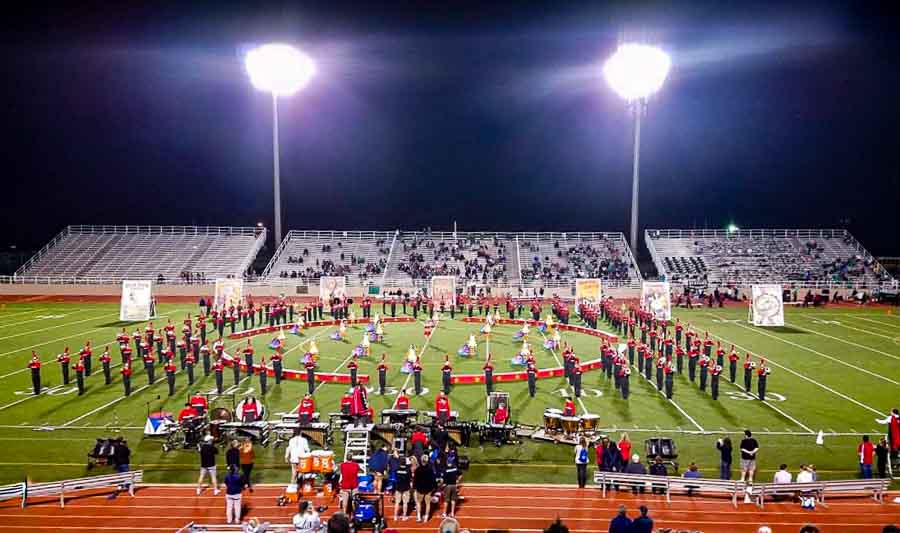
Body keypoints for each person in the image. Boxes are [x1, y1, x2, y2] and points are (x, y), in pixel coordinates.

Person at [413, 454, 437, 522]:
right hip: (428, 489)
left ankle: (419, 517)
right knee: (427, 503)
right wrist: (435, 487)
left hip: (420, 489)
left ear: (421, 460)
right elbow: (433, 479)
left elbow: (415, 479)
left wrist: (415, 487)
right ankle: (426, 518)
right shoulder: (430, 469)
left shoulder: (418, 470)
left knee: (418, 503)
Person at [442, 454, 461, 518]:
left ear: (447, 462)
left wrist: (442, 486)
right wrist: (457, 480)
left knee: (446, 500)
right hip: (454, 486)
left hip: (448, 486)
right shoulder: (455, 468)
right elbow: (460, 474)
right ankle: (452, 513)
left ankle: (444, 513)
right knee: (453, 500)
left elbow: (443, 481)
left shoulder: (445, 470)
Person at [393, 456, 412, 521]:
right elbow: (410, 478)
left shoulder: (397, 469)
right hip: (406, 488)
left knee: (397, 502)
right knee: (405, 503)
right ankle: (404, 516)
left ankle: (395, 516)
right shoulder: (408, 470)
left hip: (398, 487)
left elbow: (395, 477)